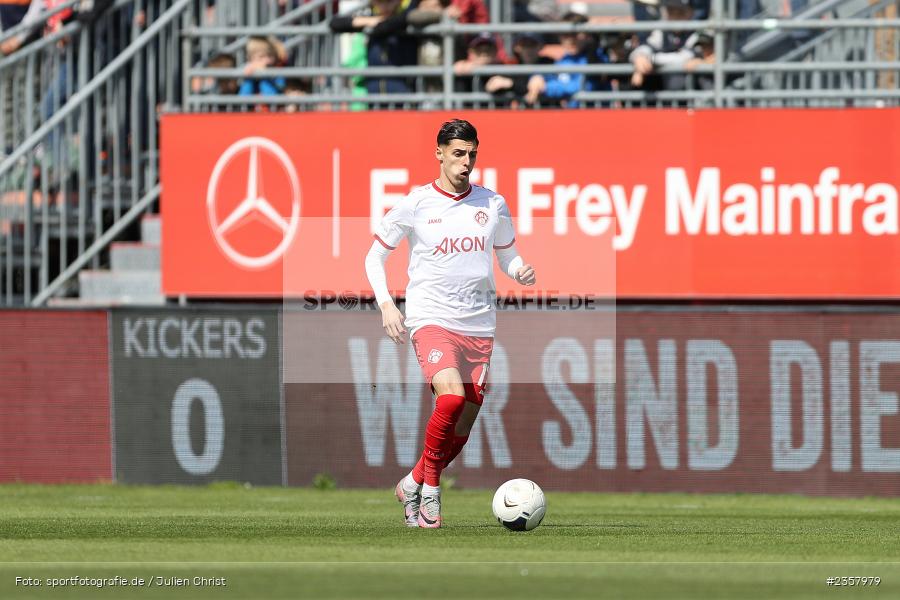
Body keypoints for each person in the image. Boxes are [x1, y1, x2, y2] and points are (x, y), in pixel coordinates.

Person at [364, 119, 536, 529]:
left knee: (463, 423)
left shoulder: (492, 203)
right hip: (431, 318)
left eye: (472, 154)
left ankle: (412, 481)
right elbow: (374, 256)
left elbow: (507, 255)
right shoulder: (417, 203)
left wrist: (520, 270)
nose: (466, 162)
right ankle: (431, 493)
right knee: (452, 398)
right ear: (439, 153)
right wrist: (387, 305)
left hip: (478, 324)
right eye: (458, 153)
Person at [329, 0, 417, 94]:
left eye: (389, 1)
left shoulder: (406, 18)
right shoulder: (370, 18)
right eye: (380, 2)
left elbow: (387, 26)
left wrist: (380, 23)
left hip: (401, 88)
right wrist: (370, 21)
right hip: (373, 89)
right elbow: (334, 23)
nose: (385, 6)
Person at [524, 11, 610, 107]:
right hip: (570, 117)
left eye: (574, 34)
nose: (570, 39)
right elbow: (552, 77)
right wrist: (537, 78)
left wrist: (546, 88)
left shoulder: (596, 57)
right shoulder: (564, 59)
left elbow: (584, 86)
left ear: (587, 35)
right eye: (565, 34)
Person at [629, 0, 713, 92]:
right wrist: (640, 56)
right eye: (671, 11)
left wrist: (652, 59)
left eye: (680, 12)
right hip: (672, 96)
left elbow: (684, 57)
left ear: (690, 13)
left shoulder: (698, 32)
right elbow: (647, 46)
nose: (675, 16)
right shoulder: (662, 32)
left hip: (697, 96)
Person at [484, 33, 553, 107]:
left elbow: (558, 83)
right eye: (524, 45)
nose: (528, 49)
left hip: (548, 113)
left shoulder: (549, 62)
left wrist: (511, 84)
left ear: (540, 46)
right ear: (517, 47)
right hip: (520, 114)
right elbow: (496, 87)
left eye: (532, 45)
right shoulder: (512, 65)